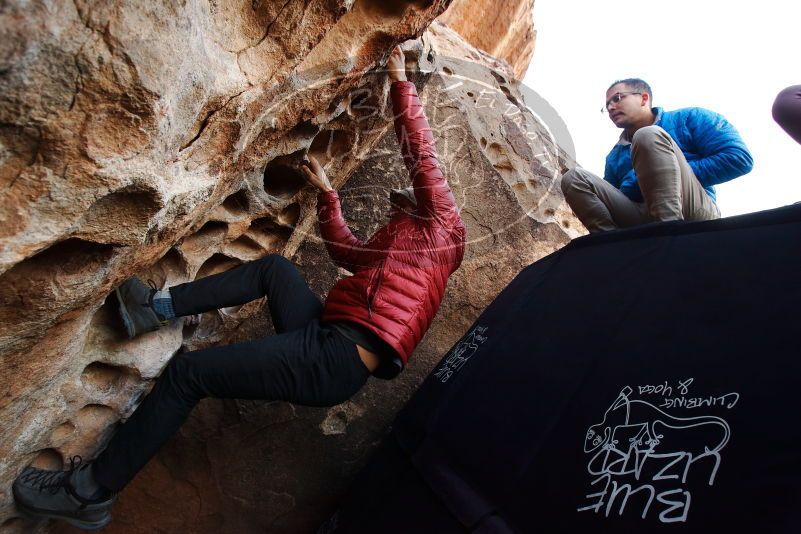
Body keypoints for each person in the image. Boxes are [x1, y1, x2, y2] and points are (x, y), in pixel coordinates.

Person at [12, 45, 466, 530]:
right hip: (331, 339)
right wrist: (329, 194)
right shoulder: (407, 243)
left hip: (337, 357)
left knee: (189, 376)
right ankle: (155, 309)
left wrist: (400, 81)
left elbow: (421, 152)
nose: (404, 201)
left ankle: (89, 493)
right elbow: (347, 254)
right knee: (275, 270)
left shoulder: (443, 224)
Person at [561, 78, 753, 233]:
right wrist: (637, 183)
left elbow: (739, 159)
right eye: (607, 105)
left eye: (617, 98)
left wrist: (647, 176)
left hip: (692, 212)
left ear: (644, 99)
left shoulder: (690, 118)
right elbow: (613, 198)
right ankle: (613, 247)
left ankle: (668, 233)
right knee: (574, 178)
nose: (611, 107)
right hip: (641, 217)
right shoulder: (614, 156)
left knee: (647, 135)